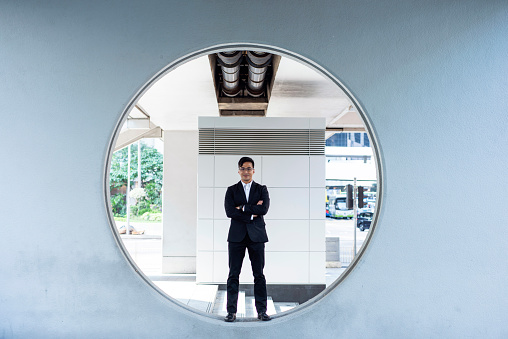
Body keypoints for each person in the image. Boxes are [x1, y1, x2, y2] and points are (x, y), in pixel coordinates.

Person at [223, 157, 271, 322]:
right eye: (243, 168)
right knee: (233, 274)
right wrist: (252, 214)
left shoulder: (261, 189)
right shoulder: (231, 190)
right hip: (236, 237)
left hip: (256, 237)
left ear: (253, 170)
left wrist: (243, 208)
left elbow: (263, 209)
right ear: (238, 171)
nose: (246, 171)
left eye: (249, 168)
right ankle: (231, 312)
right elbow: (229, 211)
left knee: (259, 275)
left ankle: (262, 311)